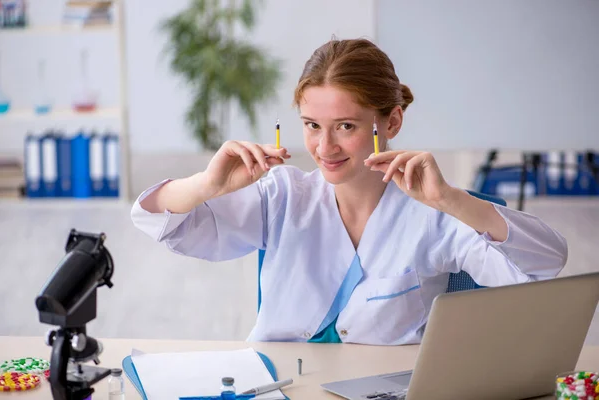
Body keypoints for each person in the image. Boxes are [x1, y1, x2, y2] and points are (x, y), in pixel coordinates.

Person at [131, 38, 567, 345]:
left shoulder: (434, 214)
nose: (325, 148)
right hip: (277, 386)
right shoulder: (283, 195)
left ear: (392, 123)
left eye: (346, 126)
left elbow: (544, 265)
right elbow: (160, 222)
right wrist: (208, 184)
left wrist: (451, 199)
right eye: (312, 126)